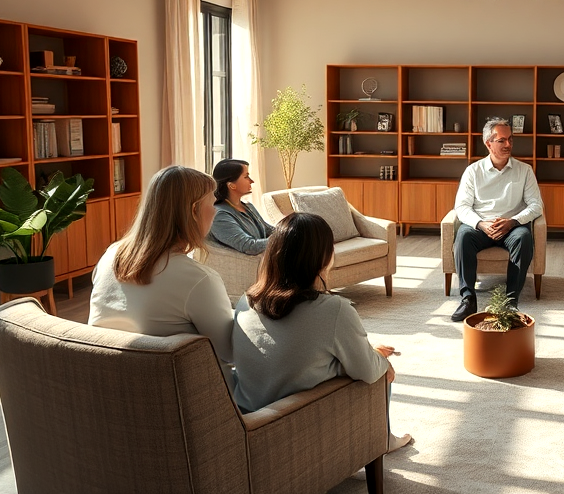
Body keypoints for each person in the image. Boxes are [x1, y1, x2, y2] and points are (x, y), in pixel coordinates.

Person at [232, 212, 412, 452]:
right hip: (296, 425)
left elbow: (292, 355)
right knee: (380, 371)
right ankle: (382, 439)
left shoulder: (247, 300)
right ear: (324, 257)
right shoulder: (333, 310)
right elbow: (367, 372)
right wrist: (379, 359)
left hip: (247, 415)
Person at [89, 166, 233, 370]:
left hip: (106, 382)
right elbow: (228, 351)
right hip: (177, 395)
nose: (215, 210)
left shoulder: (111, 255)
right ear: (194, 210)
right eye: (212, 202)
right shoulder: (199, 279)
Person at [450, 118, 544, 322]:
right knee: (463, 236)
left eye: (510, 139)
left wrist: (514, 221)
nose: (508, 145)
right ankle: (468, 299)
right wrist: (480, 224)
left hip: (511, 227)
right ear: (488, 143)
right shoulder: (473, 171)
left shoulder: (524, 170)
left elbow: (536, 205)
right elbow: (462, 206)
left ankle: (510, 302)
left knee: (524, 237)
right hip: (481, 226)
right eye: (502, 141)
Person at [208, 158, 274, 255]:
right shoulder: (219, 215)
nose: (252, 181)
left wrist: (290, 231)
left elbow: (269, 230)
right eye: (246, 177)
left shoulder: (248, 206)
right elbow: (250, 247)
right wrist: (281, 239)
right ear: (231, 185)